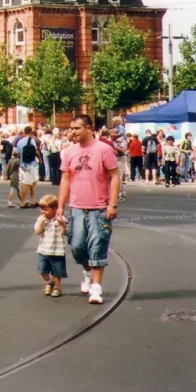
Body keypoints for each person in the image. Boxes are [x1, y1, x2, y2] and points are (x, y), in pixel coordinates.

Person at [57, 114, 120, 305]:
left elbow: (115, 176)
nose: (72, 132)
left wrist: (113, 204)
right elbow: (65, 179)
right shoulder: (68, 152)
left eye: (76, 128)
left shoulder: (104, 149)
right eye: (71, 128)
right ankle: (87, 271)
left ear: (89, 128)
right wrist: (60, 206)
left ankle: (96, 287)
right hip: (76, 207)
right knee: (76, 247)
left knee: (97, 246)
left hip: (99, 208)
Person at [34, 194, 67, 297]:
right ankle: (48, 281)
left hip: (57, 250)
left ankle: (57, 287)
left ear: (55, 209)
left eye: (46, 209)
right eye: (41, 209)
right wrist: (41, 223)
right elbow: (37, 232)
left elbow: (64, 233)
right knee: (42, 269)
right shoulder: (41, 219)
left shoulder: (60, 219)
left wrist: (62, 224)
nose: (43, 212)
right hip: (43, 249)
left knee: (57, 271)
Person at [15, 126, 41, 208]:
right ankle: (22, 202)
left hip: (23, 163)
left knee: (33, 182)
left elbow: (18, 153)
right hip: (30, 163)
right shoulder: (31, 140)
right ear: (31, 131)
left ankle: (33, 201)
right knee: (26, 183)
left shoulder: (19, 141)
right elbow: (35, 151)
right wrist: (40, 159)